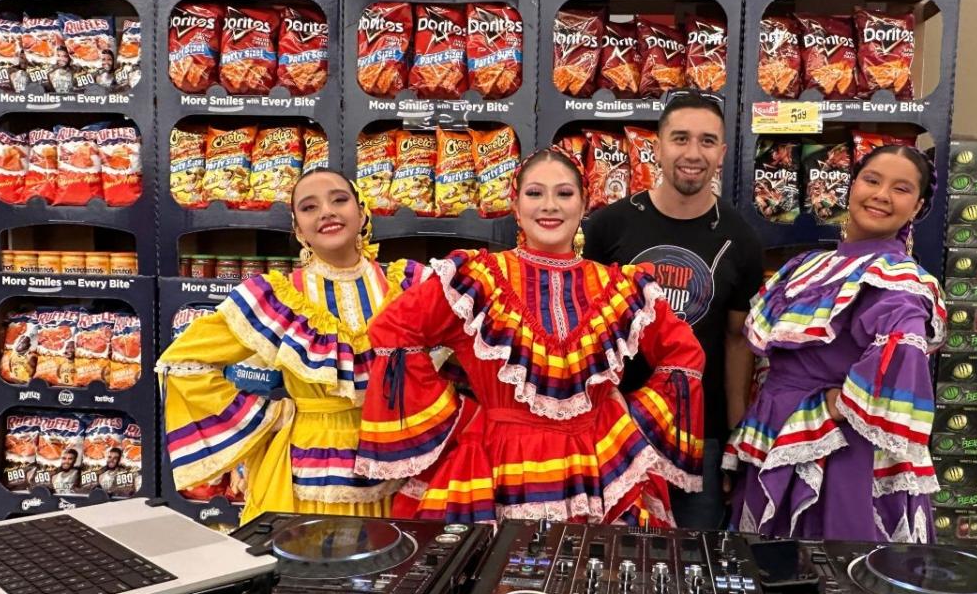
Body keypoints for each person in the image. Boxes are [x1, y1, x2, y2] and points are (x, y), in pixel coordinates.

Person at [355, 148, 705, 525]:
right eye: (535, 193)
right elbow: (393, 330)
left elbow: (684, 355)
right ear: (516, 206)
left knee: (589, 574)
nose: (550, 206)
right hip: (496, 463)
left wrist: (628, 420)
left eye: (565, 194)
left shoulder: (621, 288)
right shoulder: (477, 279)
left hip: (598, 462)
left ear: (584, 204)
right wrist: (458, 418)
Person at [157, 169, 426, 524]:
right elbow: (183, 361)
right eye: (309, 207)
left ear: (362, 213)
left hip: (398, 464)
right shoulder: (277, 298)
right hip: (304, 470)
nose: (327, 212)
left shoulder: (411, 286)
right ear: (299, 230)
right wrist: (267, 416)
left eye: (339, 200)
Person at [726, 144, 946, 542]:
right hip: (778, 428)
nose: (880, 195)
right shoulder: (807, 265)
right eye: (872, 180)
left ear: (916, 208)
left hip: (834, 449)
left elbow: (904, 352)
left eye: (901, 189)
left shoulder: (896, 277)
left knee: (826, 570)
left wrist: (838, 404)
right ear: (852, 186)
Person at [583, 91, 763, 528]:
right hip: (615, 427)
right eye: (680, 139)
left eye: (706, 141)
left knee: (695, 562)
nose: (693, 153)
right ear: (657, 146)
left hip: (701, 436)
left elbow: (736, 342)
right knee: (611, 561)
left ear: (721, 153)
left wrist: (735, 440)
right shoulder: (608, 226)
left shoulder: (742, 238)